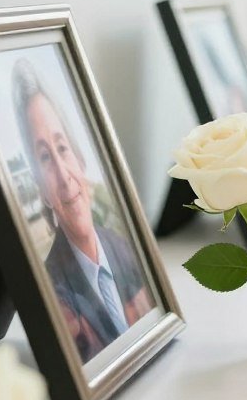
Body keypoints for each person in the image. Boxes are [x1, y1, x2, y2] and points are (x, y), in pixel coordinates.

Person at [11, 59, 154, 363]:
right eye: (45, 158)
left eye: (62, 149)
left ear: (79, 157)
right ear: (41, 191)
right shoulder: (53, 295)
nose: (63, 176)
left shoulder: (124, 248)